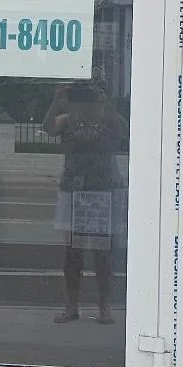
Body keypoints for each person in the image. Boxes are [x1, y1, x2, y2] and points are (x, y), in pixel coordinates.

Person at [44, 80, 127, 324]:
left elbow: (124, 131)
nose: (87, 103)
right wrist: (57, 100)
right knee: (72, 252)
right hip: (74, 188)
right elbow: (48, 127)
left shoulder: (109, 119)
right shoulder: (68, 120)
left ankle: (104, 307)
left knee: (103, 252)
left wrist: (107, 102)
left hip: (103, 189)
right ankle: (72, 305)